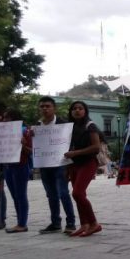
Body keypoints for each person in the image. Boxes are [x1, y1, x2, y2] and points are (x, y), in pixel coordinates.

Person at [35, 96, 77, 235]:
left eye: (48, 106)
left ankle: (70, 222)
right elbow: (35, 147)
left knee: (63, 193)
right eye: (42, 106)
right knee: (51, 195)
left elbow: (71, 144)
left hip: (60, 164)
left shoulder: (64, 125)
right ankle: (55, 222)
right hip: (45, 164)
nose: (45, 109)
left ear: (54, 108)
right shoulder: (37, 126)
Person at [65, 101, 102, 237]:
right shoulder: (70, 127)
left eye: (80, 108)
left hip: (88, 162)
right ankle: (84, 224)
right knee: (80, 195)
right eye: (74, 108)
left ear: (85, 111)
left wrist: (76, 153)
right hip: (74, 164)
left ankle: (94, 223)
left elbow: (96, 147)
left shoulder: (90, 126)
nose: (77, 111)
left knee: (77, 194)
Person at [2, 109, 32, 233]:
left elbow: (30, 151)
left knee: (20, 195)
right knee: (15, 196)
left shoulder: (25, 131)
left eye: (6, 117)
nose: (4, 120)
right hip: (8, 166)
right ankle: (20, 222)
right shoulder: (2, 132)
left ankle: (22, 224)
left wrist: (23, 145)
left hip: (21, 166)